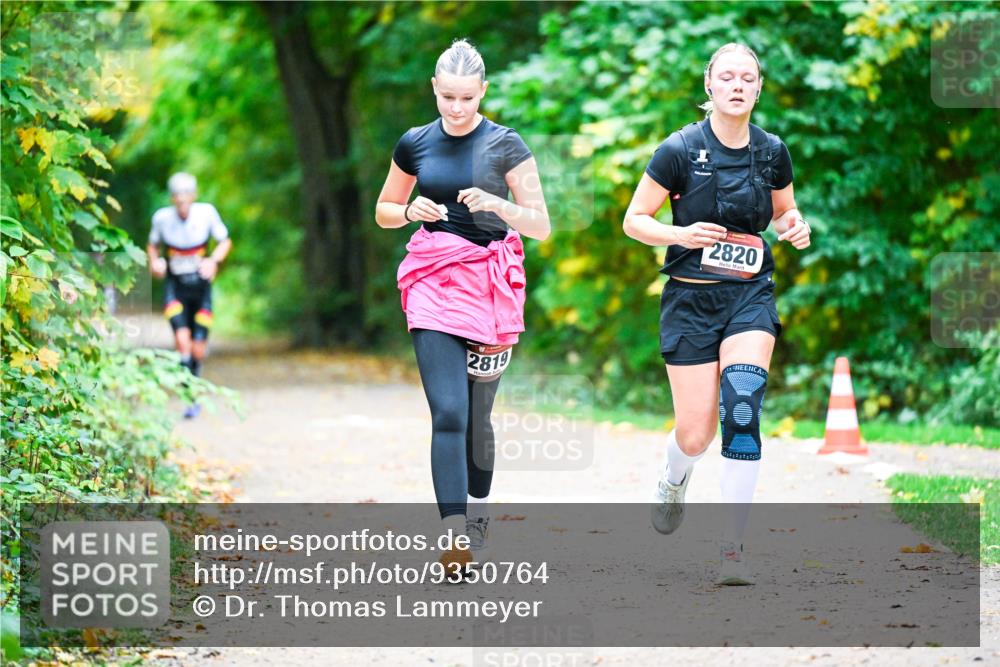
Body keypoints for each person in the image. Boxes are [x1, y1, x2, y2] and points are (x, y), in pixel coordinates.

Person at [622, 43, 811, 585]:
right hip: (689, 299)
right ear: (709, 85)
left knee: (744, 404)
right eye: (725, 76)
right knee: (696, 434)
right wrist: (679, 233)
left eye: (746, 77)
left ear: (757, 88)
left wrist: (796, 226)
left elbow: (784, 211)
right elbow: (635, 220)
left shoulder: (773, 151)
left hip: (750, 293)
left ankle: (733, 548)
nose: (736, 85)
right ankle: (675, 476)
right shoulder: (679, 148)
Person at [375, 39, 550, 574]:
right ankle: (453, 537)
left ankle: (478, 511)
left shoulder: (505, 145)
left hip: (490, 286)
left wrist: (498, 203)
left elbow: (540, 224)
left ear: (483, 93)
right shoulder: (414, 143)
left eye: (467, 98)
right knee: (447, 411)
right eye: (447, 97)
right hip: (431, 279)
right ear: (434, 89)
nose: (456, 108)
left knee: (477, 418)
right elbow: (383, 208)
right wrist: (408, 211)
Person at [147, 172, 232, 419]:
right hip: (176, 288)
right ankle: (190, 397)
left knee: (198, 350)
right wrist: (155, 262)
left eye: (186, 197)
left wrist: (214, 260)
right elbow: (152, 245)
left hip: (201, 288)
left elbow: (225, 241)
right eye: (177, 197)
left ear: (193, 196)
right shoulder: (162, 219)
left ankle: (193, 378)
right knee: (182, 343)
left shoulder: (206, 214)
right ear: (172, 199)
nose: (182, 202)